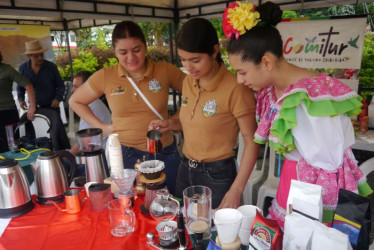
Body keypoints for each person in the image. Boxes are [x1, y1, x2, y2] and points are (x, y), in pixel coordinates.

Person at [225, 1, 373, 228]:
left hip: (313, 194)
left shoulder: (315, 96)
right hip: (292, 182)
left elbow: (330, 164)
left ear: (266, 62)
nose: (239, 80)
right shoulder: (273, 91)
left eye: (242, 72)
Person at [149, 18, 259, 209]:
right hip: (186, 168)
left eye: (195, 60)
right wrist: (169, 124)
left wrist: (236, 190)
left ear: (214, 51)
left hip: (217, 174)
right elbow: (191, 121)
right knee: (184, 227)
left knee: (214, 233)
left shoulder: (236, 88)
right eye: (183, 60)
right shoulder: (189, 82)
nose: (189, 67)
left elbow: (252, 141)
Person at [69, 21, 185, 195]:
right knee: (132, 207)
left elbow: (196, 94)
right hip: (126, 157)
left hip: (164, 153)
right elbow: (75, 101)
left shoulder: (165, 71)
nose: (131, 57)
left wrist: (174, 120)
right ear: (115, 52)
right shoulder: (106, 76)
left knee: (171, 204)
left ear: (145, 47)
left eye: (136, 50)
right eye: (123, 52)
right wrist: (103, 128)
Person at [0, 49, 36, 152]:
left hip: (7, 114)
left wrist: (32, 107)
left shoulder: (7, 69)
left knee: (12, 148)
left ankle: (17, 168)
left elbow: (28, 85)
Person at [17, 40, 65, 114]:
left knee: (55, 125)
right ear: (29, 56)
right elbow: (20, 87)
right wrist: (21, 100)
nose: (40, 58)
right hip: (33, 107)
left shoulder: (51, 67)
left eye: (41, 55)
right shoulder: (23, 68)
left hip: (51, 106)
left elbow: (61, 85)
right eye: (36, 56)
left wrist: (57, 98)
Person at [69, 71, 112, 154]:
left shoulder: (88, 106)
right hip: (102, 150)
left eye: (75, 87)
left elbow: (84, 143)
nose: (72, 89)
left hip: (98, 154)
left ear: (86, 88)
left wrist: (67, 155)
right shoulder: (94, 102)